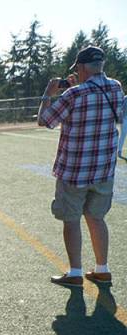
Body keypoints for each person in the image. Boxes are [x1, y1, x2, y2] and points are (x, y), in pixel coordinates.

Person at [38, 45, 124, 287]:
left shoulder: (74, 94)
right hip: (104, 169)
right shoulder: (115, 87)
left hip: (75, 171)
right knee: (96, 217)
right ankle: (102, 269)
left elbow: (45, 120)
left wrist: (48, 93)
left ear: (82, 67)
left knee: (72, 219)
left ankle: (75, 272)